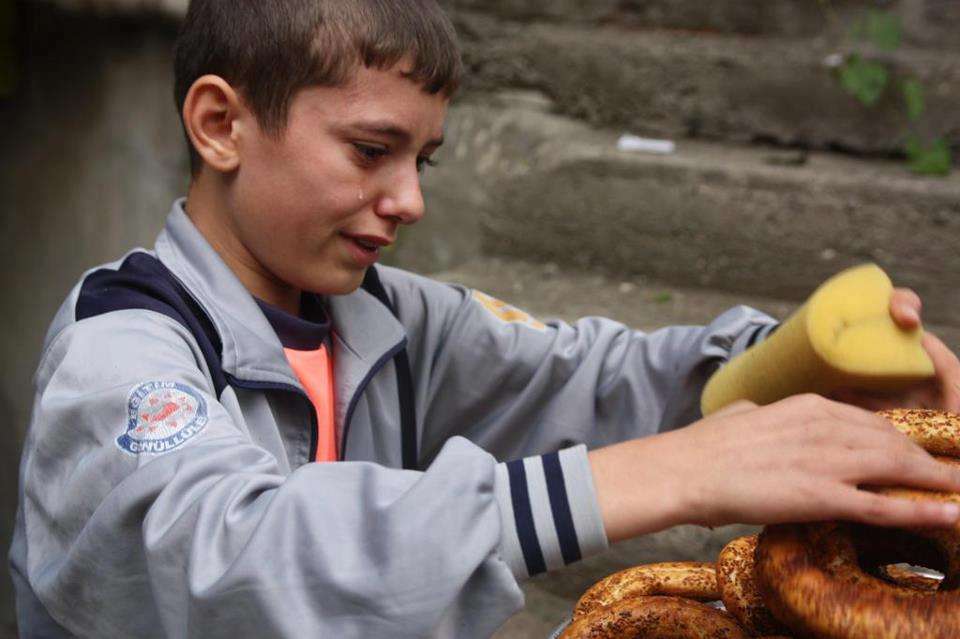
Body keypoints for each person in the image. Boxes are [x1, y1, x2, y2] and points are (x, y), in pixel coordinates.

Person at [9, 1, 960, 637]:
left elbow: (589, 374)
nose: (408, 199)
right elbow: (233, 559)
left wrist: (797, 367)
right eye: (372, 149)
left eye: (422, 160)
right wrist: (663, 473)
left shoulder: (384, 318)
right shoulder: (122, 348)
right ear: (220, 125)